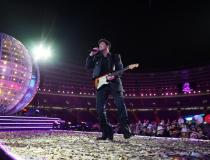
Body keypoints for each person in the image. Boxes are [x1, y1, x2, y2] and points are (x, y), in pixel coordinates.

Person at [85, 39, 132, 140]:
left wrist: (114, 76)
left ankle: (126, 131)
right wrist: (91, 54)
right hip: (101, 85)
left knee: (120, 104)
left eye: (102, 44)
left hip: (114, 83)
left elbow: (120, 70)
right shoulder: (97, 57)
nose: (100, 45)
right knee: (100, 109)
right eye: (99, 44)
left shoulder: (116, 57)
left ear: (107, 46)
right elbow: (88, 66)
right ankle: (107, 133)